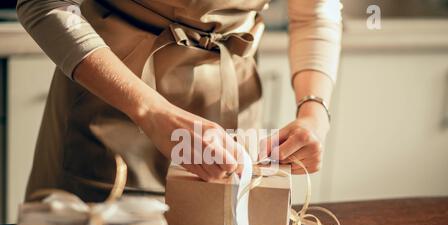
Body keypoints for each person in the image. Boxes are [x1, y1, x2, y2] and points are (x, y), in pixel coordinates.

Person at [17, 0, 342, 202]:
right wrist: (150, 110)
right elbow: (45, 4)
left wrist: (314, 111)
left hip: (230, 108)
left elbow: (315, 13)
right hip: (110, 102)